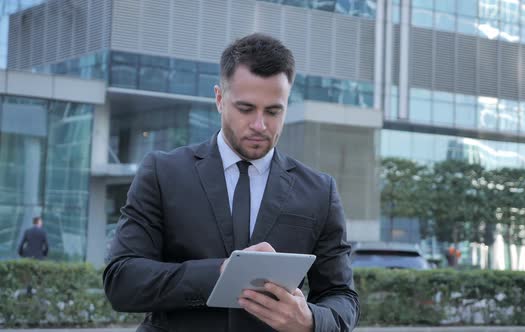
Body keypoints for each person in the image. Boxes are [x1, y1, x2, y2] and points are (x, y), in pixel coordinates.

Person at [103, 33, 359, 332]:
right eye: (246, 108)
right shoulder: (163, 172)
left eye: (274, 111)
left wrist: (311, 320)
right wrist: (221, 273)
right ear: (219, 99)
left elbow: (343, 297)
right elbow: (122, 280)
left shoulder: (319, 191)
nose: (260, 125)